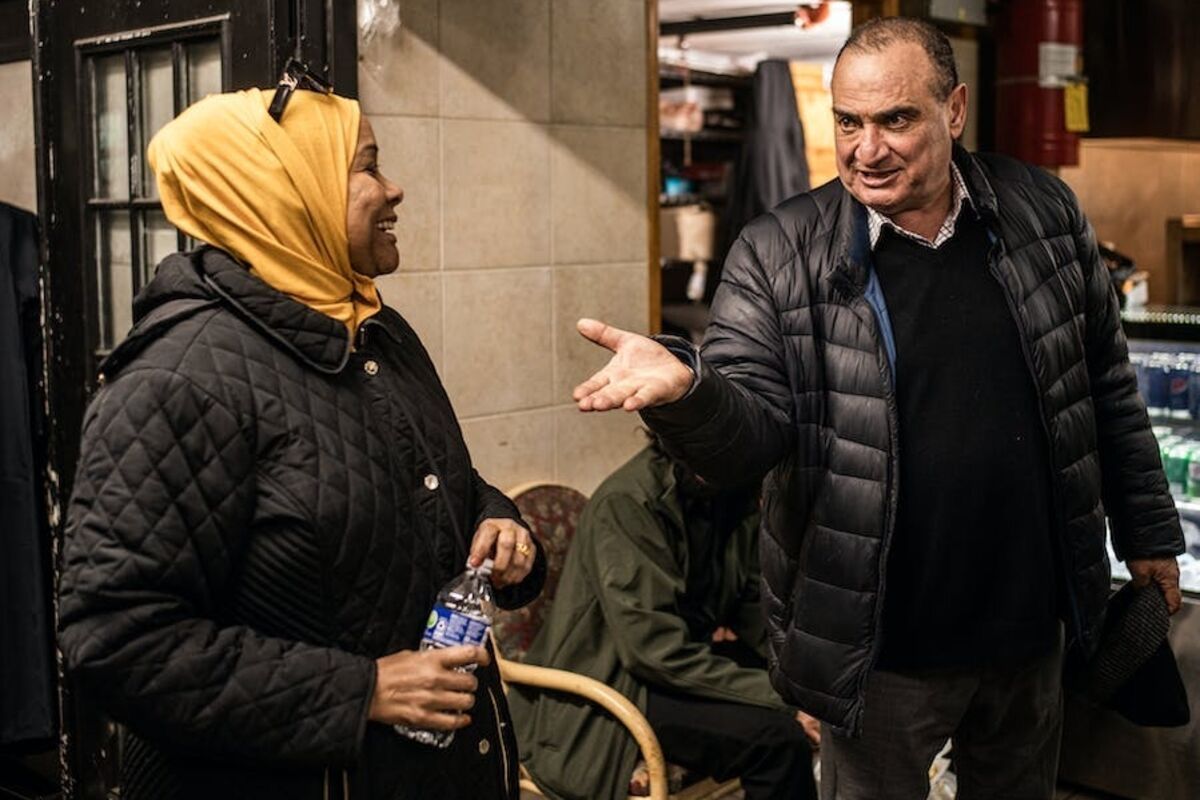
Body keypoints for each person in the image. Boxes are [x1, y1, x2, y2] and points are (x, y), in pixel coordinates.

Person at [570, 17, 1185, 800]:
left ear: (954, 110)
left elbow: (1105, 390)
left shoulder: (1045, 214)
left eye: (897, 119)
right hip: (880, 649)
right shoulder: (777, 250)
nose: (867, 149)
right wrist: (692, 394)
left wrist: (1150, 535)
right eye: (849, 122)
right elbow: (746, 442)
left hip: (1029, 626)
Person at [58, 81, 544, 800]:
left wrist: (500, 524)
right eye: (367, 166)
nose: (393, 187)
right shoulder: (176, 382)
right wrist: (360, 690)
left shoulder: (376, 332)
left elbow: (444, 486)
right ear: (284, 193)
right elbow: (114, 639)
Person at [508, 440, 819, 800]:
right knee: (777, 741)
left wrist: (806, 689)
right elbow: (653, 653)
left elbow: (753, 610)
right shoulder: (628, 502)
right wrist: (781, 703)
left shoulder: (731, 490)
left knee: (802, 687)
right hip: (621, 680)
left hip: (680, 657)